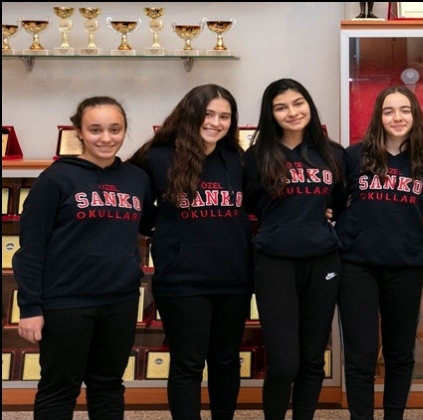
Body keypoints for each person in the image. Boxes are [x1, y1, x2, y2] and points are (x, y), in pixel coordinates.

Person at [13, 96, 151, 420]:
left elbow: (152, 223)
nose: (106, 138)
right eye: (95, 129)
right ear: (78, 131)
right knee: (60, 387)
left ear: (125, 130)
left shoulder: (137, 179)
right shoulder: (55, 179)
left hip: (120, 300)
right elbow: (31, 248)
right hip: (66, 301)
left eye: (115, 129)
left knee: (109, 386)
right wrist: (30, 307)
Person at [127, 84, 253, 420]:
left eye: (224, 116)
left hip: (234, 278)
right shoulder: (157, 156)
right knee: (188, 363)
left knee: (226, 361)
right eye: (208, 114)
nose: (216, 122)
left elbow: (259, 203)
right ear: (190, 114)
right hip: (182, 280)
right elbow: (132, 200)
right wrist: (162, 228)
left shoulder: (238, 159)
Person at [336, 85, 423, 420]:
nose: (397, 117)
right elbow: (333, 202)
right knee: (361, 354)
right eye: (388, 111)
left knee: (400, 353)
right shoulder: (354, 156)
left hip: (405, 265)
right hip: (357, 265)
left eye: (404, 110)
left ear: (415, 116)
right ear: (378, 117)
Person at [243, 78, 347, 420]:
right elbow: (248, 204)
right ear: (270, 114)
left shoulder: (333, 153)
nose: (292, 112)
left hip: (323, 262)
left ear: (309, 105)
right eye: (281, 107)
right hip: (275, 263)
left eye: (298, 103)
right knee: (284, 362)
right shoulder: (256, 157)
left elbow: (338, 203)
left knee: (312, 359)